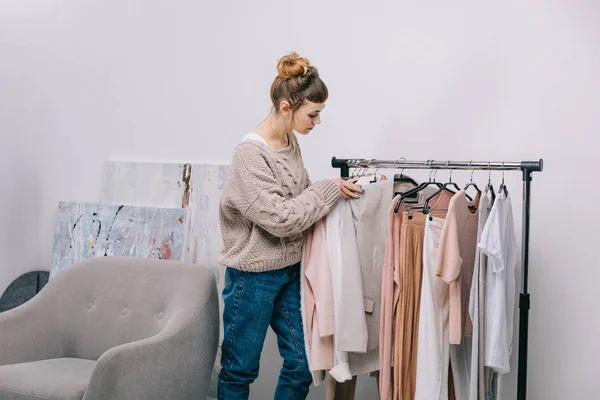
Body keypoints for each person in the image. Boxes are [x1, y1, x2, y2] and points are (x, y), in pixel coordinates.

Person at [217, 51, 363, 399]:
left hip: (290, 271)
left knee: (303, 363)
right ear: (287, 108)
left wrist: (335, 190)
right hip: (252, 277)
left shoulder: (289, 142)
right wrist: (328, 190)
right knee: (239, 371)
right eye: (313, 114)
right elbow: (282, 218)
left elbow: (301, 195)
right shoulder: (249, 155)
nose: (317, 122)